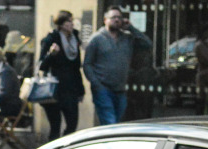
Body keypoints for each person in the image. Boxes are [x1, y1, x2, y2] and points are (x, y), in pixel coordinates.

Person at [83, 6, 150, 125]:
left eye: (119, 17)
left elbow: (147, 44)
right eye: (113, 17)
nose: (117, 20)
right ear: (105, 20)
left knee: (116, 124)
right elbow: (87, 64)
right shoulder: (96, 39)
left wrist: (131, 28)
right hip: (103, 89)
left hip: (120, 90)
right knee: (110, 123)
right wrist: (96, 84)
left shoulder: (127, 38)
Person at [39, 9, 84, 139]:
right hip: (54, 89)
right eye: (69, 21)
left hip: (71, 88)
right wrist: (51, 54)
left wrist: (80, 90)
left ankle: (65, 148)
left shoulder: (75, 39)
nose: (72, 24)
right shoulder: (51, 39)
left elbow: (76, 68)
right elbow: (42, 65)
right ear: (62, 24)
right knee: (55, 126)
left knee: (72, 124)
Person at [0, 45, 21, 116]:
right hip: (3, 105)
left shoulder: (5, 71)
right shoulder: (1, 69)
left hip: (8, 107)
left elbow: (4, 93)